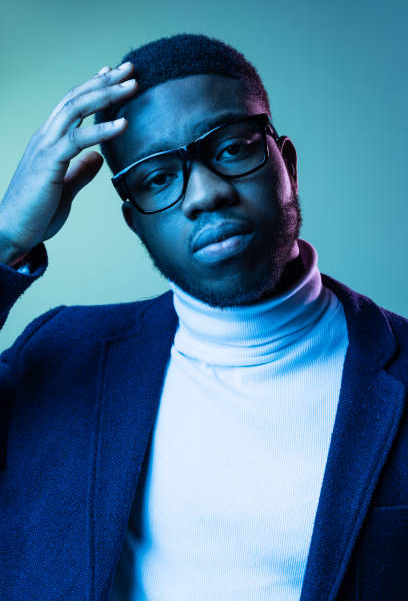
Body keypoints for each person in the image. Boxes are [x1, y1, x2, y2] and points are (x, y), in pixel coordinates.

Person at [0, 33, 407, 601]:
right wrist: (5, 241)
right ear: (134, 221)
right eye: (157, 178)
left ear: (286, 164)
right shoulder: (60, 355)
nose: (206, 194)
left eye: (232, 148)